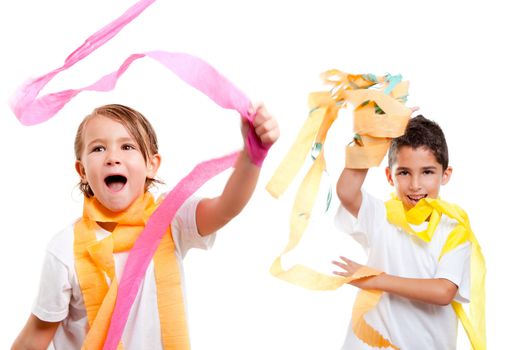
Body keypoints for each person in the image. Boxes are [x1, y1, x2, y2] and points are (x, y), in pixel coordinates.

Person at [12, 103, 280, 350]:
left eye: (127, 147)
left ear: (152, 165)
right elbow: (36, 334)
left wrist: (252, 157)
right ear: (82, 171)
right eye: (98, 148)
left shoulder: (170, 219)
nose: (112, 157)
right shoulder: (64, 249)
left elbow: (226, 208)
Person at [332, 115, 472, 349]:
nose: (415, 184)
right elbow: (347, 192)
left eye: (427, 172)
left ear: (445, 175)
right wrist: (372, 135)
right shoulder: (381, 217)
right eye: (404, 172)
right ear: (389, 176)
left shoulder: (454, 229)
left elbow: (443, 291)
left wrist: (377, 280)